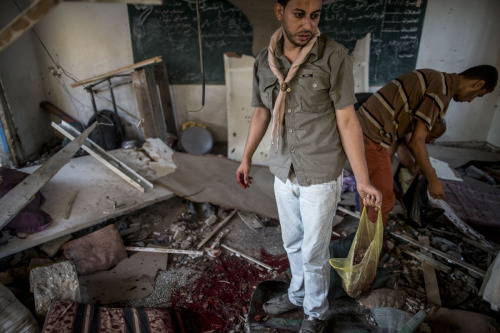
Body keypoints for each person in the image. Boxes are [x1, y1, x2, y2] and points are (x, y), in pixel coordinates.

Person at [235, 0, 382, 331]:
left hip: (321, 172)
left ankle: (315, 314)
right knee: (292, 242)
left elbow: (347, 120)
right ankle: (298, 295)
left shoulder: (333, 56)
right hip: (283, 170)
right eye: (299, 15)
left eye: (314, 16)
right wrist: (246, 157)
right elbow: (261, 111)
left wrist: (362, 180)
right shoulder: (264, 61)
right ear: (280, 12)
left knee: (315, 252)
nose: (307, 25)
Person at [357, 65, 498, 225]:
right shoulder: (441, 90)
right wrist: (433, 179)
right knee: (383, 201)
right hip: (371, 133)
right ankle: (369, 247)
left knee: (372, 194)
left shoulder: (438, 79)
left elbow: (407, 139)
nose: (470, 100)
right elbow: (417, 141)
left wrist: (419, 164)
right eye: (477, 96)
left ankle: (364, 234)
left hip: (369, 130)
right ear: (478, 84)